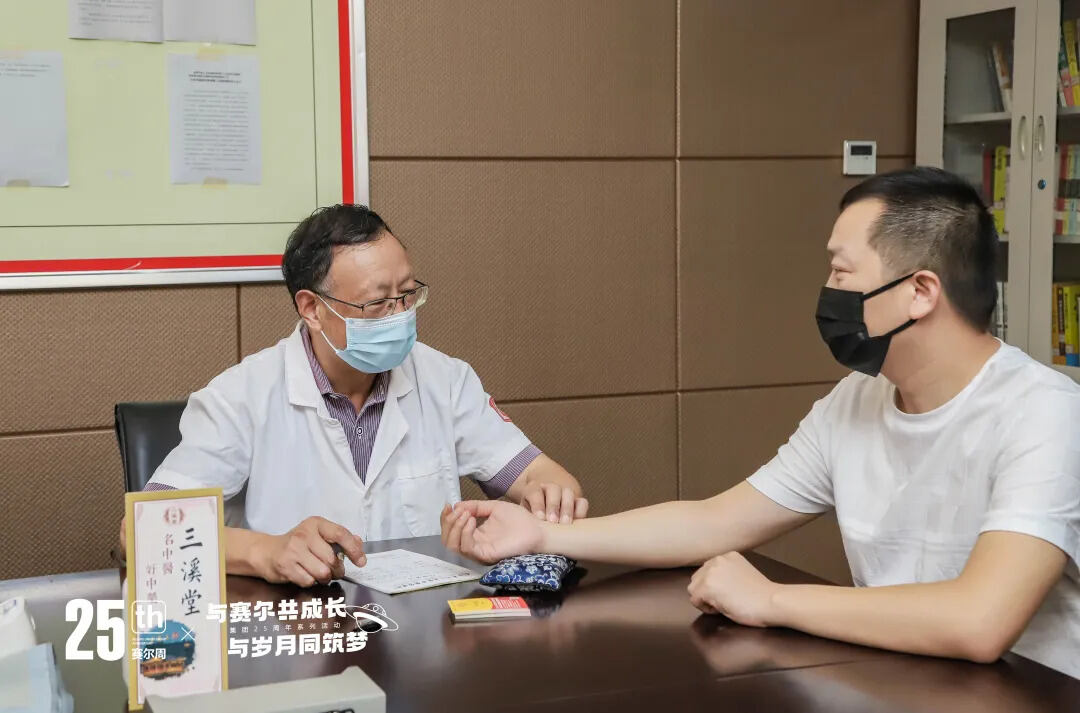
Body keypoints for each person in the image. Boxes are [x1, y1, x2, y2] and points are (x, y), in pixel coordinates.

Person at [442, 167, 1080, 679]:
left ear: (920, 292)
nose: (827, 290)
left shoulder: (1045, 412)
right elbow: (715, 521)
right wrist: (544, 535)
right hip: (896, 680)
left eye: (841, 271)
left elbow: (979, 623)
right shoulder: (856, 400)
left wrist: (770, 599)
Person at [124, 204, 587, 587]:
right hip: (299, 634)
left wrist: (551, 495)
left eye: (407, 294)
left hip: (423, 634)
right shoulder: (241, 397)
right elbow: (142, 530)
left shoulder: (445, 379)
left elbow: (539, 475)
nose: (400, 315)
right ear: (312, 309)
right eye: (376, 303)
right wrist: (267, 552)